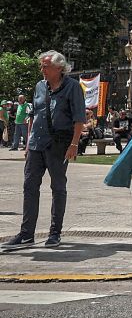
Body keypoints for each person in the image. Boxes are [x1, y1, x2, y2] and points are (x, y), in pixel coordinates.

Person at [2, 51, 87, 251]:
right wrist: (28, 143)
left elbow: (79, 119)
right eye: (41, 66)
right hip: (36, 144)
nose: (42, 70)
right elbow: (34, 116)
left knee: (58, 187)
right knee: (29, 186)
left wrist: (74, 144)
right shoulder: (40, 87)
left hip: (59, 144)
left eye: (45, 66)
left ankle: (55, 233)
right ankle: (26, 234)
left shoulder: (72, 87)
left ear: (59, 68)